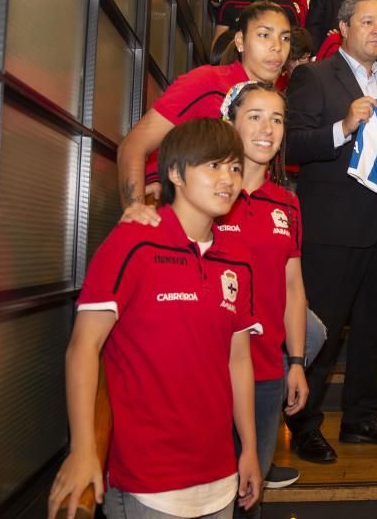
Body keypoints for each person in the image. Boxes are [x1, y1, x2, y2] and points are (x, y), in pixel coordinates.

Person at [47, 118, 261, 519]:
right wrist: (82, 449)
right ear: (176, 172)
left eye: (234, 167)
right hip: (147, 484)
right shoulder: (134, 239)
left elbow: (239, 360)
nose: (227, 178)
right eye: (212, 166)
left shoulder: (238, 258)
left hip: (219, 476)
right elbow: (83, 347)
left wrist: (248, 448)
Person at [285, 0, 377, 463]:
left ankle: (362, 418)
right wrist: (343, 125)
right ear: (343, 26)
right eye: (368, 22)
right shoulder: (312, 76)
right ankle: (302, 424)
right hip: (330, 229)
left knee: (374, 332)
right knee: (322, 331)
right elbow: (291, 146)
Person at [221, 83, 309, 518]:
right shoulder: (208, 194)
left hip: (266, 373)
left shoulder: (288, 204)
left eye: (276, 119)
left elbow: (293, 286)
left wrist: (296, 361)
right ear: (230, 123)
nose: (267, 128)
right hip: (205, 372)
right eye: (254, 116)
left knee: (248, 495)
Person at [118, 2, 291, 221]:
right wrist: (136, 210)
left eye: (285, 38)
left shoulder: (275, 103)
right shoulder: (207, 82)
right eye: (264, 35)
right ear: (240, 41)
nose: (277, 46)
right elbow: (133, 145)